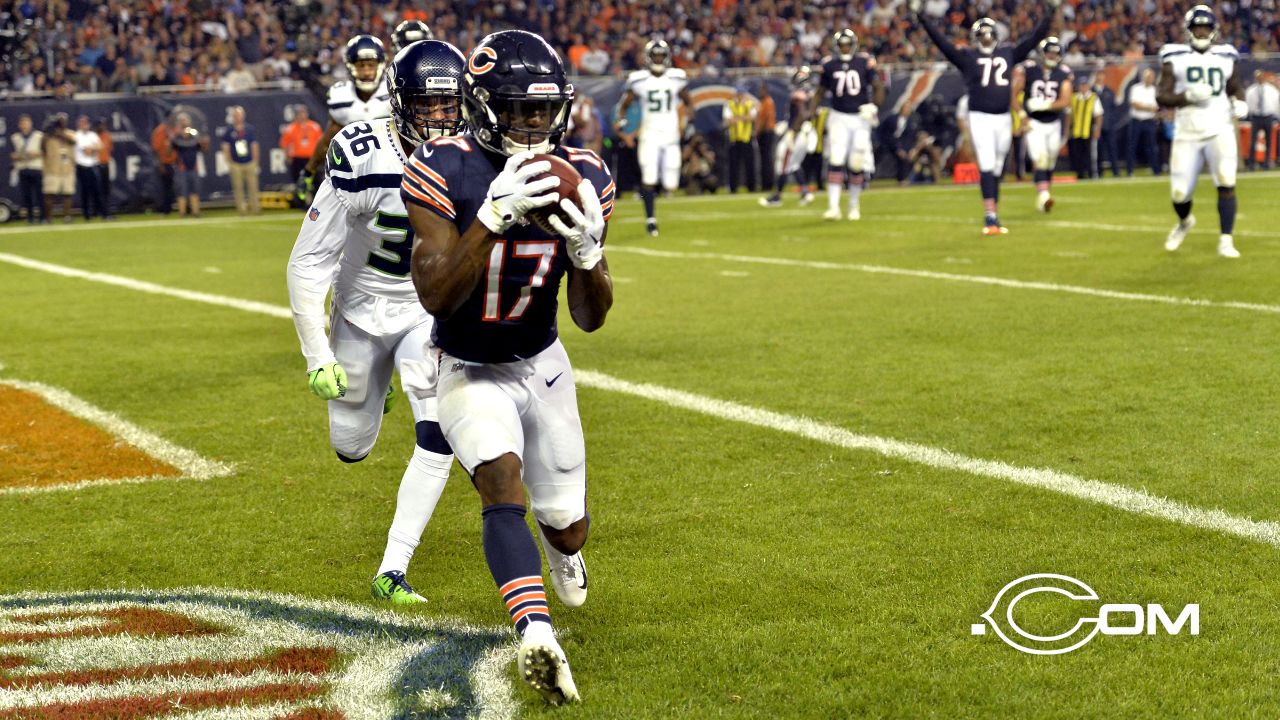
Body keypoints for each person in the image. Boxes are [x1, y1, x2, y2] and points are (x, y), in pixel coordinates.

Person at [405, 29, 615, 706]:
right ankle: (535, 635)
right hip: (465, 363)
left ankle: (562, 549)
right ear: (483, 105)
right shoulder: (443, 167)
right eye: (520, 109)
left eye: (543, 109)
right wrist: (494, 215)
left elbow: (590, 316)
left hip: (543, 360)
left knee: (568, 522)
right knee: (501, 480)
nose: (534, 124)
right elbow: (435, 294)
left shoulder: (585, 174)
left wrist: (586, 254)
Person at [288, 39, 466, 608]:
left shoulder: (471, 151)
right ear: (400, 103)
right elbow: (310, 260)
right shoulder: (362, 150)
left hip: (426, 308)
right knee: (351, 447)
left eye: (449, 104)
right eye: (428, 105)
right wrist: (317, 355)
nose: (440, 117)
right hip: (361, 308)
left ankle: (394, 567)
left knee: (439, 434)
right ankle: (373, 386)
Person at [912, 0, 1056, 234]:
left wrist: (1050, 13)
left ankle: (994, 214)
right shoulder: (970, 57)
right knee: (988, 166)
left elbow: (1033, 40)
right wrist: (922, 18)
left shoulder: (1007, 53)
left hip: (1003, 118)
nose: (987, 38)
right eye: (984, 35)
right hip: (980, 117)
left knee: (997, 168)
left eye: (989, 35)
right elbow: (942, 44)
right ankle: (990, 218)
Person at [1158, 5, 1247, 258]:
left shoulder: (1226, 56)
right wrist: (1186, 96)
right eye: (1196, 27)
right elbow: (1161, 95)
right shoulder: (1173, 56)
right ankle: (1185, 221)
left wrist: (1240, 101)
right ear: (1188, 31)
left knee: (1227, 182)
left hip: (1220, 128)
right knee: (1179, 193)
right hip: (1187, 131)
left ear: (1213, 30)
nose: (1201, 32)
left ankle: (1226, 239)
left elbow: (1235, 87)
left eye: (1205, 27)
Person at [297, 35, 392, 203]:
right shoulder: (341, 95)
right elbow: (328, 140)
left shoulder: (394, 92)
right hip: (357, 176)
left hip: (394, 171)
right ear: (350, 66)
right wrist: (308, 170)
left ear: (381, 64)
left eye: (371, 65)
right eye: (361, 66)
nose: (367, 72)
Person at [614, 39, 692, 237]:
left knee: (671, 183)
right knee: (648, 177)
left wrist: (685, 122)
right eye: (655, 56)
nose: (658, 59)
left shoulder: (676, 78)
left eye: (661, 56)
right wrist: (621, 119)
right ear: (649, 58)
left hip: (671, 135)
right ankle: (651, 220)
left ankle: (656, 197)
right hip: (649, 135)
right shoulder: (639, 80)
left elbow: (689, 103)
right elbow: (625, 102)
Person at [808, 29, 883, 220]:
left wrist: (874, 106)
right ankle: (833, 207)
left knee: (856, 162)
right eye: (842, 45)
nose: (845, 48)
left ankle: (853, 204)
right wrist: (810, 116)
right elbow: (819, 92)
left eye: (848, 44)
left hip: (860, 118)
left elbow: (878, 87)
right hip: (839, 116)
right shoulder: (829, 64)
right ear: (836, 46)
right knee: (836, 158)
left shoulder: (864, 61)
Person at [1011, 37, 1073, 212]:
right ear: (1042, 53)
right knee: (1041, 159)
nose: (1052, 56)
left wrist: (1045, 104)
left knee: (1050, 162)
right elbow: (1012, 94)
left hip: (1053, 123)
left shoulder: (1063, 72)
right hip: (1034, 123)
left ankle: (1043, 195)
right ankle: (1044, 196)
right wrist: (1022, 115)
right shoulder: (1029, 69)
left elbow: (1065, 101)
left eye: (1056, 53)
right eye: (1049, 52)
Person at [759, 66, 816, 207]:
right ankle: (805, 192)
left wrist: (792, 131)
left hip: (798, 133)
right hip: (805, 132)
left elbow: (802, 114)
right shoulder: (810, 93)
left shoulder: (799, 94)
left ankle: (777, 197)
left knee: (784, 164)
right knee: (793, 165)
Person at [222, 106, 261, 215]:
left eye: (239, 115)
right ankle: (242, 209)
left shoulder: (249, 129)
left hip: (249, 161)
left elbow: (254, 145)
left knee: (253, 187)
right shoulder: (229, 131)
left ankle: (255, 208)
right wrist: (230, 162)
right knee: (238, 188)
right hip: (236, 163)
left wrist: (255, 160)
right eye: (236, 115)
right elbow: (225, 147)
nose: (238, 117)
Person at [171, 113, 208, 218]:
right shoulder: (177, 137)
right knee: (182, 191)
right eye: (182, 122)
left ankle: (196, 212)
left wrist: (205, 143)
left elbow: (204, 149)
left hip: (193, 167)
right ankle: (182, 213)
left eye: (186, 122)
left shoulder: (194, 136)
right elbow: (170, 151)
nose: (184, 124)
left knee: (194, 190)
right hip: (181, 168)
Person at [10, 114, 45, 223]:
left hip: (36, 167)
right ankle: (30, 217)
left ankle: (43, 217)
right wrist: (21, 156)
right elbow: (12, 155)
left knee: (40, 194)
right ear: (19, 125)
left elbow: (45, 152)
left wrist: (35, 154)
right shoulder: (15, 137)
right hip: (23, 168)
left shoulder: (39, 136)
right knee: (27, 195)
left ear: (31, 123)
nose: (25, 125)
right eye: (23, 123)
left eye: (27, 123)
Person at [42, 114, 76, 223]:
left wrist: (59, 134)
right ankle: (49, 218)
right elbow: (42, 147)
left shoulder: (70, 133)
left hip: (67, 168)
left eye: (64, 121)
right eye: (60, 121)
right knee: (49, 194)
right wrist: (49, 132)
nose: (62, 123)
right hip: (52, 168)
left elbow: (73, 141)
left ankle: (67, 217)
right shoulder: (48, 135)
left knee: (67, 194)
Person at [1068, 76, 1103, 179]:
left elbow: (1099, 115)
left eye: (1085, 85)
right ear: (1078, 87)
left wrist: (1097, 129)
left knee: (1090, 154)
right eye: (1081, 85)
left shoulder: (1093, 97)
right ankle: (1080, 174)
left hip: (1088, 131)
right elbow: (1069, 115)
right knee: (1078, 154)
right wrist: (1069, 129)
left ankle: (1092, 173)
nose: (1083, 87)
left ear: (1088, 86)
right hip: (1076, 131)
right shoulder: (1074, 98)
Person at [1127, 68, 1161, 176]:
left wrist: (1144, 107)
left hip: (1149, 121)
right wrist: (1149, 108)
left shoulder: (1154, 90)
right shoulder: (1135, 88)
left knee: (1151, 146)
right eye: (1148, 77)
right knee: (1132, 146)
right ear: (1144, 77)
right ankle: (1130, 171)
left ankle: (1156, 170)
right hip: (1136, 120)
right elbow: (1134, 105)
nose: (1150, 79)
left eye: (1152, 77)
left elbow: (1155, 108)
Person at [723, 86, 757, 193]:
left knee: (749, 165)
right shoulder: (730, 104)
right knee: (734, 165)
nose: (742, 96)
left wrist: (737, 118)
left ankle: (751, 187)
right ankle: (733, 188)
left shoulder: (750, 104)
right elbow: (728, 120)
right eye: (740, 94)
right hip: (734, 138)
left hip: (746, 138)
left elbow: (752, 117)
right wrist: (743, 118)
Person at [73, 115, 107, 222]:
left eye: (86, 123)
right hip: (82, 165)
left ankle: (101, 213)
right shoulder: (76, 135)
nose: (84, 125)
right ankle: (86, 214)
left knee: (97, 190)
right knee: (85, 191)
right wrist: (89, 149)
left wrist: (91, 148)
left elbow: (100, 146)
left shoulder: (92, 135)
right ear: (79, 124)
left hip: (93, 164)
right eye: (82, 123)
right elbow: (82, 149)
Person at [1244, 70, 1279, 170]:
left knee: (1269, 141)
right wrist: (1251, 114)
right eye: (1258, 77)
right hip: (1256, 117)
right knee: (1253, 141)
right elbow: (1249, 103)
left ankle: (1266, 163)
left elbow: (1275, 103)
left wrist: (1275, 115)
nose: (1260, 78)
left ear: (1263, 77)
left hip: (1268, 117)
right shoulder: (1251, 90)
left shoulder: (1271, 90)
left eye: (1261, 76)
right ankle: (1251, 163)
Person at [281, 105, 324, 180]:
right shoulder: (290, 128)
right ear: (296, 115)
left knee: (316, 180)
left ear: (307, 114)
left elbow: (321, 143)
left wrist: (319, 156)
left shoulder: (315, 126)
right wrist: (287, 156)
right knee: (298, 179)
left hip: (311, 158)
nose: (302, 115)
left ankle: (315, 191)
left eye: (303, 113)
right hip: (297, 159)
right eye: (299, 113)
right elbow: (284, 144)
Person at [151, 115, 178, 214]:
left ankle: (169, 207)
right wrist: (160, 164)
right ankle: (164, 208)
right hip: (165, 163)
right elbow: (156, 149)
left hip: (175, 162)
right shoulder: (160, 130)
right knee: (165, 187)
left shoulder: (174, 129)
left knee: (172, 187)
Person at [755, 81, 777, 191]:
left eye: (761, 90)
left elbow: (765, 119)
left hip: (767, 132)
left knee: (767, 159)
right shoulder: (763, 102)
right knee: (765, 159)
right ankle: (765, 184)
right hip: (765, 132)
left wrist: (758, 131)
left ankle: (768, 184)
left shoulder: (767, 102)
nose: (759, 92)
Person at [94, 118, 114, 219]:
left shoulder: (107, 135)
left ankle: (106, 212)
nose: (102, 127)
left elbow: (110, 149)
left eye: (103, 125)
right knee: (97, 190)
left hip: (105, 165)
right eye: (100, 125)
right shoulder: (93, 137)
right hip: (95, 165)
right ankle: (99, 212)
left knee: (106, 190)